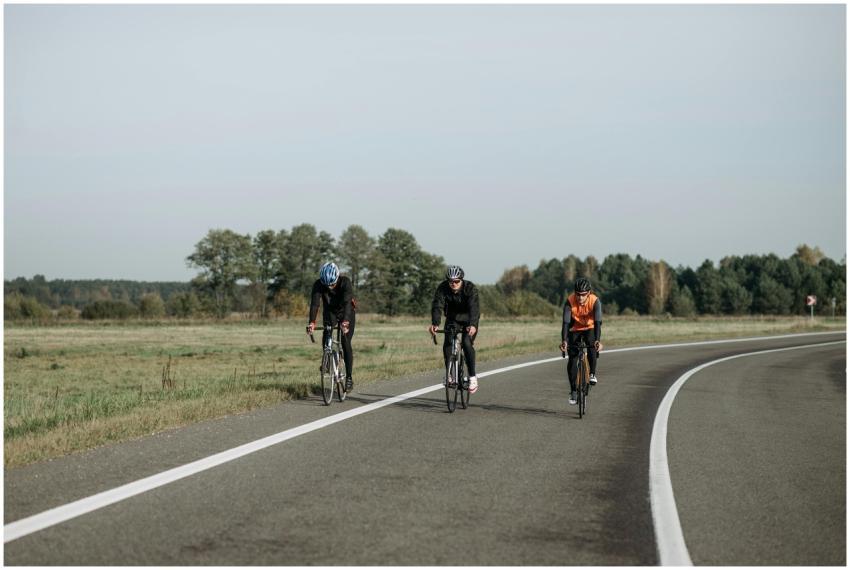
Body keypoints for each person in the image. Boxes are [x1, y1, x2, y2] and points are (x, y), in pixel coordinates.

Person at [428, 265, 481, 394]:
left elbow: (474, 308)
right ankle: (449, 375)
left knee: (467, 343)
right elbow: (437, 306)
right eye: (451, 281)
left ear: (461, 280)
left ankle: (473, 377)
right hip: (452, 319)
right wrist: (435, 323)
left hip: (469, 319)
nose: (453, 284)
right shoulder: (443, 288)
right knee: (448, 341)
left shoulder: (470, 288)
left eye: (457, 281)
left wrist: (473, 324)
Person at [306, 262, 357, 391]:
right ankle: (327, 358)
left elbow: (347, 303)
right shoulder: (318, 284)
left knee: (345, 342)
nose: (329, 287)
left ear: (337, 278)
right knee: (327, 331)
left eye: (332, 284)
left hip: (346, 311)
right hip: (330, 311)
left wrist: (345, 321)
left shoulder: (345, 282)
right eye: (326, 285)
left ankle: (349, 378)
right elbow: (315, 304)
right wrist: (312, 322)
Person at [559, 277, 602, 405]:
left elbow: (598, 323)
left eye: (583, 295)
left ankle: (592, 373)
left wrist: (597, 341)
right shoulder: (570, 301)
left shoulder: (595, 301)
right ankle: (573, 391)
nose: (580, 298)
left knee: (592, 345)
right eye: (578, 294)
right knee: (572, 359)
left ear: (589, 293)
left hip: (590, 327)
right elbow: (566, 323)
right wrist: (564, 341)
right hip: (575, 328)